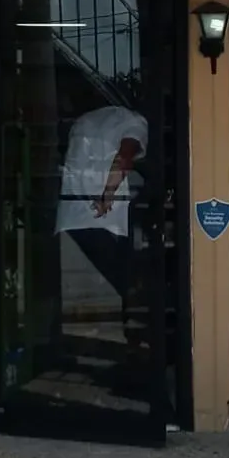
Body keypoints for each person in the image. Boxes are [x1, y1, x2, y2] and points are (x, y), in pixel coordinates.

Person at [55, 101, 149, 327]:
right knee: (126, 283)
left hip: (69, 219)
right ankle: (136, 334)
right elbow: (124, 158)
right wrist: (108, 194)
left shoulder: (83, 121)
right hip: (103, 219)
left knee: (75, 295)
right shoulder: (135, 122)